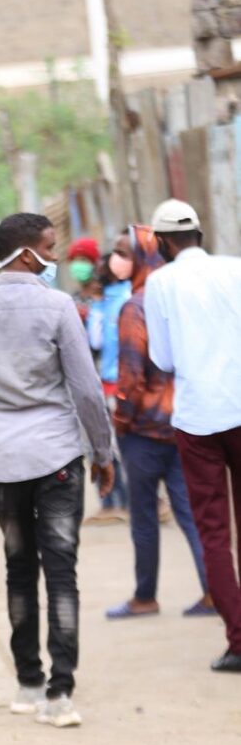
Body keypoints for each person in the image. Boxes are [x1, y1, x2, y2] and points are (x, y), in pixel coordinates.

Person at [0, 213, 115, 728]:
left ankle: (26, 683)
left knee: (19, 568)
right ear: (26, 254)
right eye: (50, 246)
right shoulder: (58, 306)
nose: (57, 256)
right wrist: (104, 454)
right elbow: (86, 391)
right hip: (58, 458)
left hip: (0, 464)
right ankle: (60, 693)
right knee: (61, 573)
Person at [144, 199, 241, 673]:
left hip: (199, 418)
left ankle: (239, 639)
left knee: (214, 530)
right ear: (199, 233)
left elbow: (162, 360)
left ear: (162, 242)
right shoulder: (236, 269)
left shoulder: (160, 283)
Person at [105, 224, 211, 621]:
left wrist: (121, 419)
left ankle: (145, 596)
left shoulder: (136, 306)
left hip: (145, 430)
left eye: (123, 252)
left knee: (144, 517)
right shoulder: (178, 297)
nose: (115, 260)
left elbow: (131, 376)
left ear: (145, 255)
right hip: (182, 422)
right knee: (190, 513)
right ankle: (214, 591)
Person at [85, 247, 131, 524]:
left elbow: (96, 341)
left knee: (107, 444)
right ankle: (129, 502)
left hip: (111, 384)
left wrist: (97, 308)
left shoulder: (102, 305)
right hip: (135, 383)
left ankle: (113, 502)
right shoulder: (136, 294)